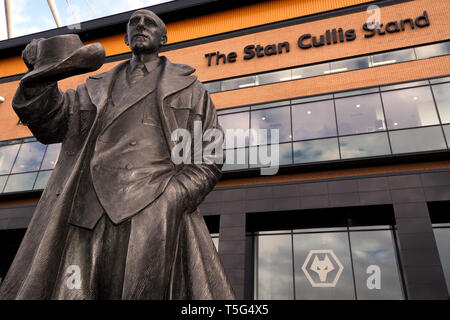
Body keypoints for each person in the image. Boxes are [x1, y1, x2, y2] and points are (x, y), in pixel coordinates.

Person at [0, 9, 234, 300]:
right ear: (125, 37)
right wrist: (41, 77)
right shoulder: (93, 88)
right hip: (88, 209)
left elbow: (208, 158)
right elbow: (52, 123)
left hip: (152, 208)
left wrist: (172, 197)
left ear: (163, 38)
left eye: (150, 23)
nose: (141, 26)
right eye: (134, 23)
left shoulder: (192, 89)